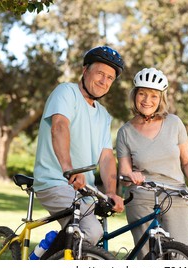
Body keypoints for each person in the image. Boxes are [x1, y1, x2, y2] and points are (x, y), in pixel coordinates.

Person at [33, 46, 125, 246]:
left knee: (91, 245)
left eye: (110, 78)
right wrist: (68, 169)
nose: (104, 81)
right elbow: (59, 127)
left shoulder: (103, 115)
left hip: (84, 190)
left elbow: (107, 156)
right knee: (91, 232)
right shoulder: (66, 92)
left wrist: (111, 192)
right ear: (85, 70)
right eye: (100, 73)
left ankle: (53, 249)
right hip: (56, 181)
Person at [116, 67, 188, 259]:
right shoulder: (125, 132)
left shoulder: (174, 123)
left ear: (161, 99)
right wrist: (131, 176)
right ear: (134, 96)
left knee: (180, 255)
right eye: (142, 94)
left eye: (154, 96)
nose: (147, 100)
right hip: (141, 196)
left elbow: (187, 161)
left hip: (175, 194)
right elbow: (123, 175)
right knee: (148, 256)